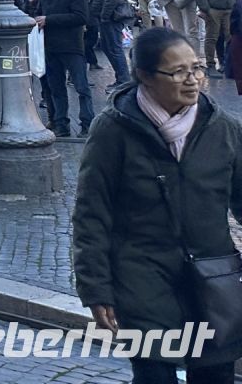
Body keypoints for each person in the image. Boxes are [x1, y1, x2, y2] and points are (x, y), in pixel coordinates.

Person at [74, 28, 241, 382]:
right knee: (154, 374)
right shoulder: (112, 130)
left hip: (214, 276)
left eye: (196, 68)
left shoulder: (223, 128)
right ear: (145, 77)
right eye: (178, 72)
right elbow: (92, 213)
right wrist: (95, 288)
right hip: (142, 277)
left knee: (216, 374)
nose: (193, 80)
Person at [36, 0, 93, 137]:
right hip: (50, 46)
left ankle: (87, 123)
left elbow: (81, 17)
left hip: (71, 45)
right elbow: (38, 13)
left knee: (81, 87)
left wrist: (49, 20)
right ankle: (61, 123)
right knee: (56, 88)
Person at [93, 0, 133, 87]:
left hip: (112, 16)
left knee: (114, 47)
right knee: (107, 46)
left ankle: (124, 80)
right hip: (107, 15)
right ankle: (122, 78)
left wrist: (104, 15)